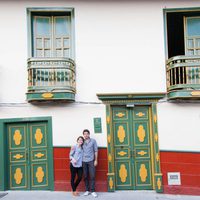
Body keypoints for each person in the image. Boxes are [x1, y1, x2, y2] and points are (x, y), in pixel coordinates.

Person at [82, 129, 98, 198]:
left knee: (92, 175)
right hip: (83, 161)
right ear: (83, 135)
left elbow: (96, 151)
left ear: (89, 134)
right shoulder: (82, 141)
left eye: (87, 134)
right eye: (84, 134)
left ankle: (93, 191)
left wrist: (96, 160)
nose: (86, 135)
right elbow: (77, 147)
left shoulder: (93, 141)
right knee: (85, 176)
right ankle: (87, 190)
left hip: (91, 160)